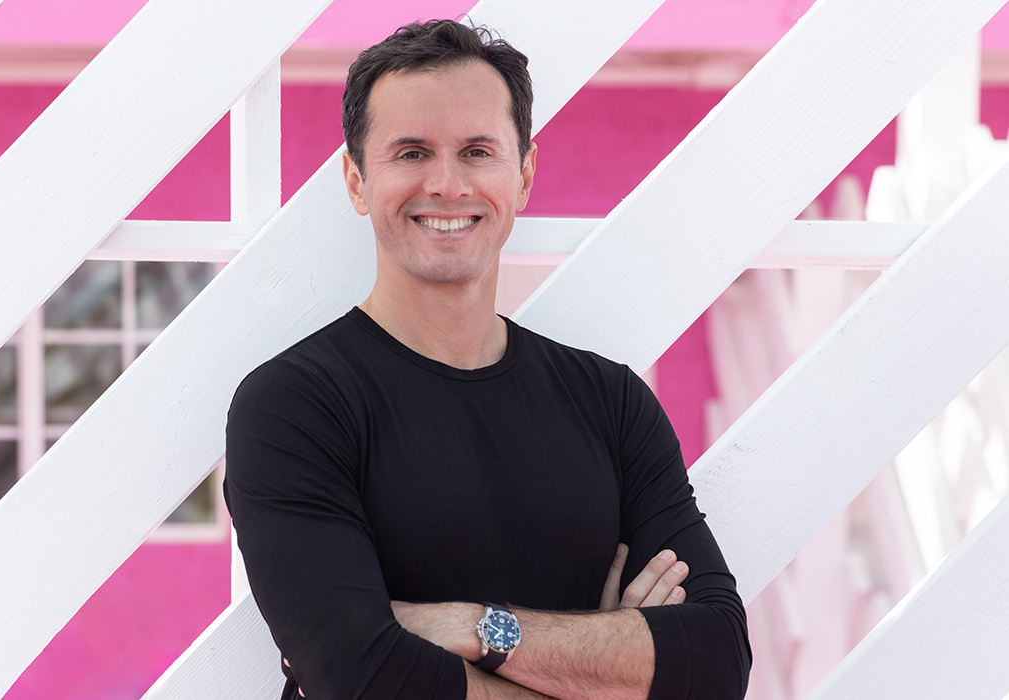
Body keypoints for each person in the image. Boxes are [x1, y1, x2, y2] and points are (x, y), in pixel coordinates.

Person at [225, 19, 751, 700]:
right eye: (411, 152)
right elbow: (360, 676)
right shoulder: (294, 406)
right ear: (356, 181)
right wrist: (603, 665)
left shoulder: (611, 403)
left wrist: (475, 627)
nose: (447, 184)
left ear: (523, 174)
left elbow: (715, 662)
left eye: (477, 151)